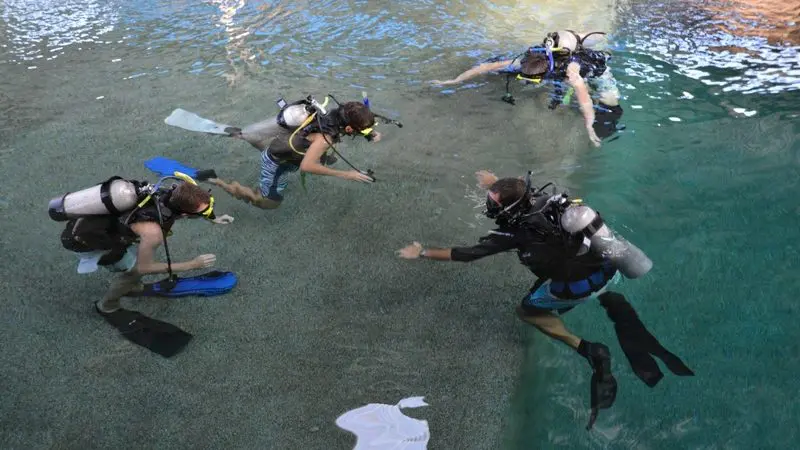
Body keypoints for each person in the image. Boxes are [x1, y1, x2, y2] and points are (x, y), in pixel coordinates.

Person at [396, 170, 693, 428]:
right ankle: (614, 308)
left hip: (578, 286)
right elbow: (519, 196)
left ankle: (588, 349)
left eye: (494, 202)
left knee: (526, 311)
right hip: (607, 269)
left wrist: (421, 252)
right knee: (590, 282)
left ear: (509, 208)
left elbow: (466, 254)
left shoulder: (515, 234)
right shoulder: (552, 202)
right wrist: (496, 184)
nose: (489, 204)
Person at [50, 173, 236, 357]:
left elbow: (187, 211)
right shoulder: (153, 232)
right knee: (132, 271)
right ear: (186, 213)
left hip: (105, 228)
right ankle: (107, 305)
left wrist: (213, 217)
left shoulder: (167, 193)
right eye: (204, 212)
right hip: (88, 242)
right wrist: (192, 264)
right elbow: (144, 268)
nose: (207, 212)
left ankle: (133, 288)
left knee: (134, 261)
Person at [164, 94, 401, 210]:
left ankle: (244, 138)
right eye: (362, 130)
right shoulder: (325, 138)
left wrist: (369, 133)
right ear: (348, 128)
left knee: (323, 158)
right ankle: (220, 182)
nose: (366, 132)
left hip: (289, 147)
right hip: (276, 161)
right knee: (269, 204)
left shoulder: (334, 115)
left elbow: (353, 122)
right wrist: (348, 175)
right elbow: (308, 167)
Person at [431, 30, 624, 147]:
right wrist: (454, 81)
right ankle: (575, 38)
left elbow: (585, 101)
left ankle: (584, 38)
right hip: (559, 52)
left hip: (594, 68)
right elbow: (486, 67)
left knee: (610, 100)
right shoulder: (524, 60)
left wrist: (590, 125)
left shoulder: (571, 72)